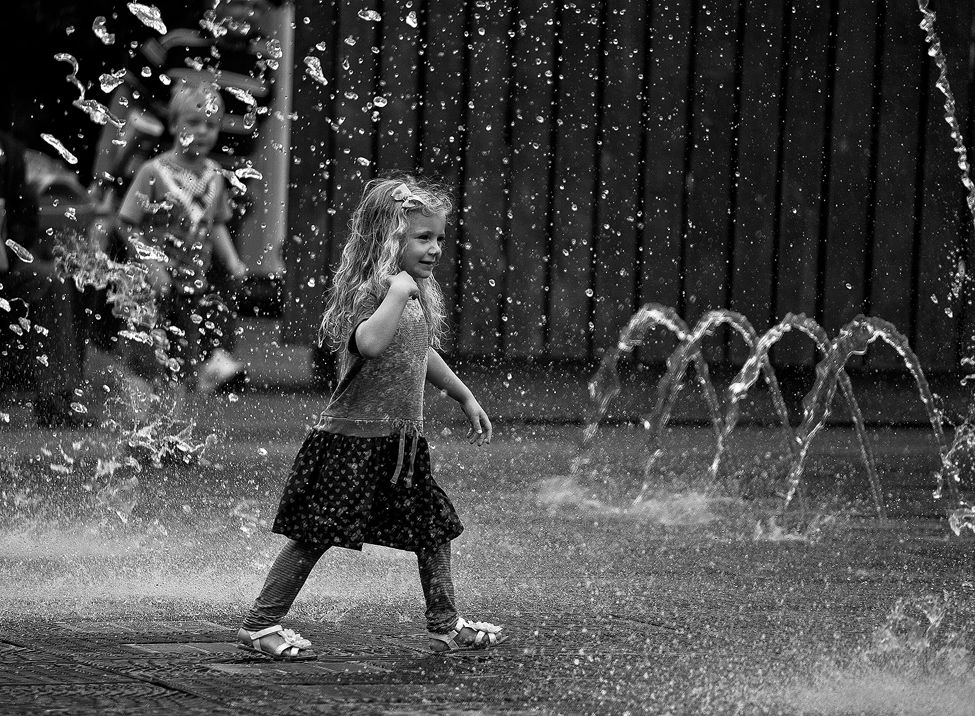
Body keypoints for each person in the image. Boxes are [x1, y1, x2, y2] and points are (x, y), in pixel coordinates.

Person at [237, 176, 508, 659]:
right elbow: (370, 343)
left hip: (400, 444)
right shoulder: (375, 290)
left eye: (439, 238)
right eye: (422, 238)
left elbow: (420, 352)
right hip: (350, 442)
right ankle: (261, 624)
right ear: (389, 239)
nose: (434, 249)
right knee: (314, 537)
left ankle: (445, 622)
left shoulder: (412, 293)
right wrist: (398, 293)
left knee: (433, 529)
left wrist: (464, 396)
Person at [117, 81, 248, 391]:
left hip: (190, 286)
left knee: (183, 361)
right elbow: (126, 223)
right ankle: (138, 430)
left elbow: (216, 223)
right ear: (174, 125)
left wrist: (233, 261)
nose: (202, 131)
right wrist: (151, 264)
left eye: (211, 125)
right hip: (149, 286)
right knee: (145, 360)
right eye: (193, 122)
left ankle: (173, 435)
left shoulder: (214, 175)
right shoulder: (154, 171)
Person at [0, 131, 86, 427]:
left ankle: (56, 397)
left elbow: (25, 217)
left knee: (51, 280)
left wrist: (10, 247)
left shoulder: (9, 152)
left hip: (4, 265)